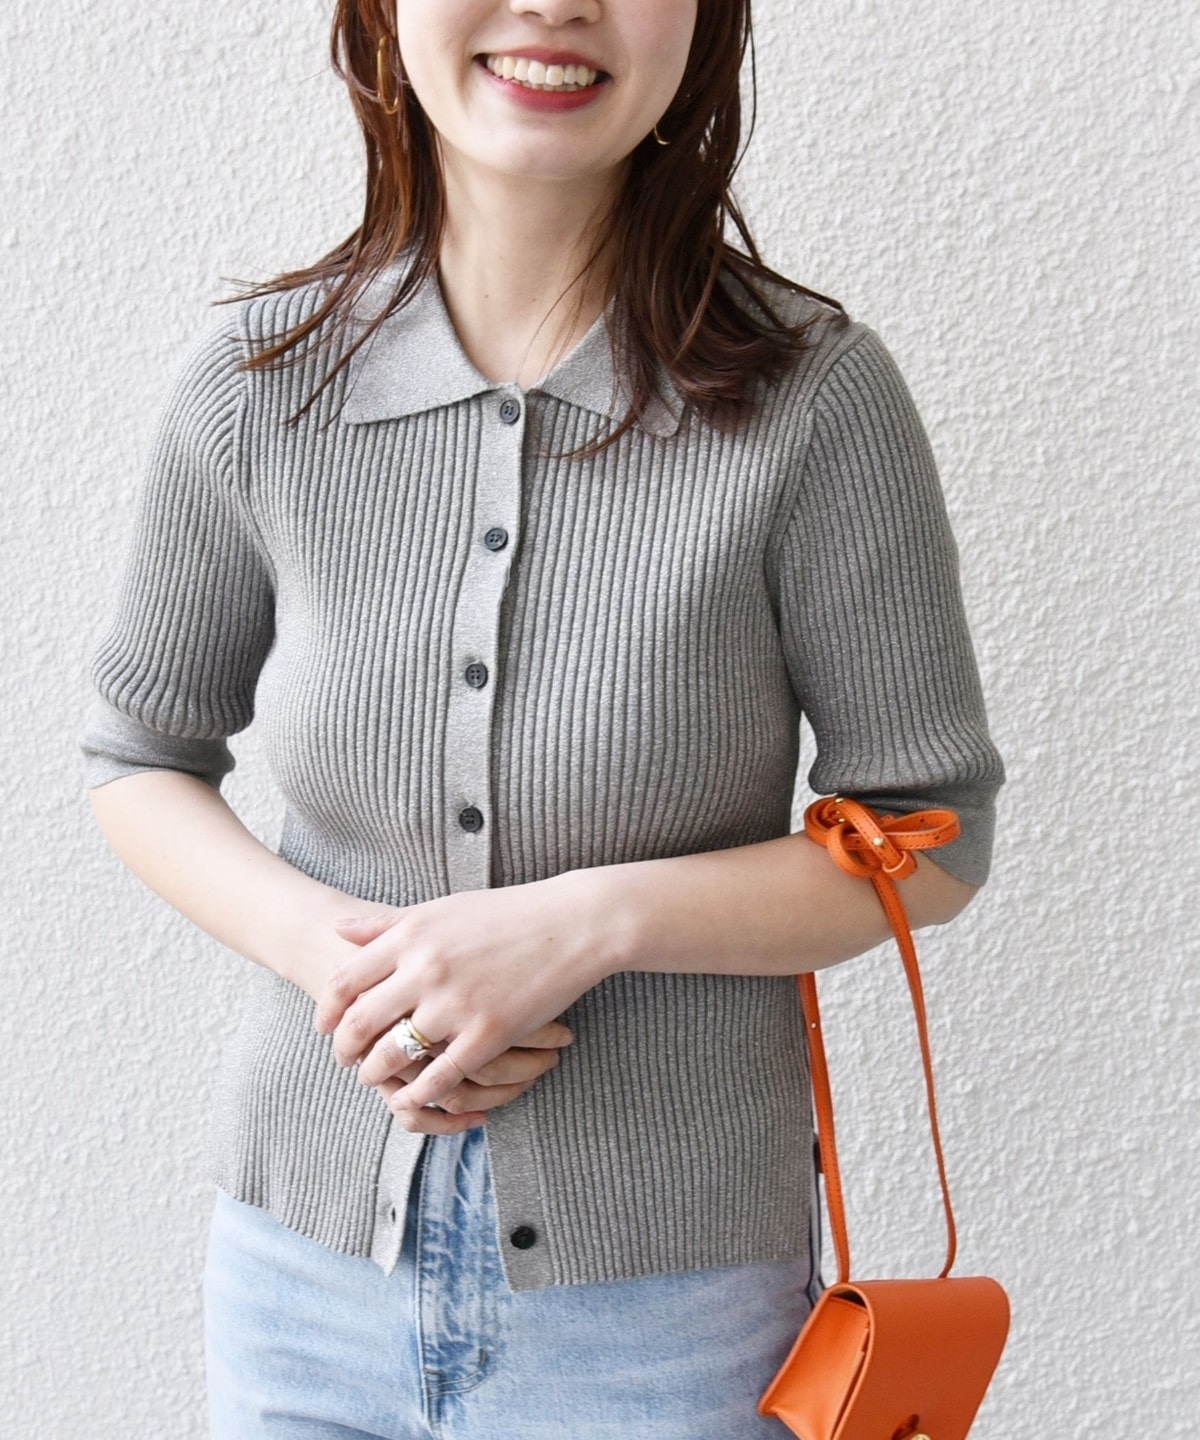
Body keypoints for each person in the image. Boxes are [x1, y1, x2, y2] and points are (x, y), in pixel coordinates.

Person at [81, 0, 1005, 1435]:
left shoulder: (816, 399)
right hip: (302, 1281)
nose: (556, 5)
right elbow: (139, 755)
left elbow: (928, 836)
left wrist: (584, 927)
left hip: (669, 1312)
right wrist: (340, 961)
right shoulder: (257, 388)